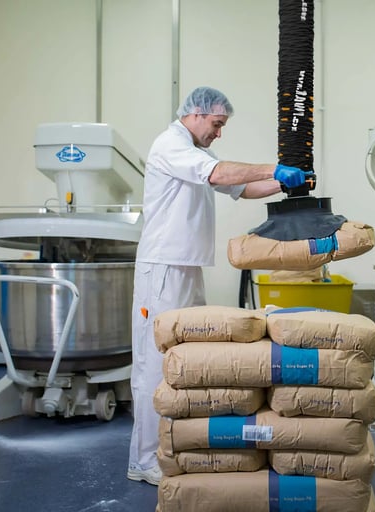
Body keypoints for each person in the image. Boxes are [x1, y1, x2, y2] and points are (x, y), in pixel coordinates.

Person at [127, 86, 310, 485]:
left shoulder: (199, 153)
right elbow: (222, 173)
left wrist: (287, 183)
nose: (219, 133)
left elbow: (241, 188)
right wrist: (272, 167)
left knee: (184, 363)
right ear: (195, 113)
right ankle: (144, 460)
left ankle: (173, 447)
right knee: (153, 364)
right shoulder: (170, 145)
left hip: (188, 268)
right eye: (217, 124)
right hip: (162, 269)